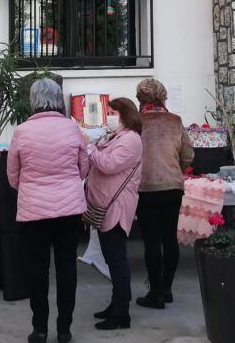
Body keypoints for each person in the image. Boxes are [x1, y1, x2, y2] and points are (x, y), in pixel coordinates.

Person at [8, 78, 89, 343]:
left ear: (33, 100)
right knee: (67, 270)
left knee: (36, 270)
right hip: (68, 210)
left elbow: (12, 177)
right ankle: (64, 330)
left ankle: (39, 329)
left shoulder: (21, 131)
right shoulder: (72, 128)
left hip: (34, 212)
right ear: (58, 99)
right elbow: (83, 168)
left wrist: (32, 187)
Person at [133, 77, 193, 310]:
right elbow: (188, 154)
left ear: (140, 98)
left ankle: (155, 292)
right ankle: (167, 288)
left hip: (146, 188)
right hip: (172, 187)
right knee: (170, 238)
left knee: (151, 241)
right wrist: (174, 168)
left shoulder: (136, 122)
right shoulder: (175, 121)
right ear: (162, 96)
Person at [86, 97, 143, 331]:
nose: (109, 117)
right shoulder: (118, 137)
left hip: (116, 207)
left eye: (113, 113)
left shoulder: (131, 140)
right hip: (105, 205)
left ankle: (122, 313)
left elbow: (108, 165)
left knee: (117, 261)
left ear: (125, 115)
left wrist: (89, 148)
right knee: (111, 259)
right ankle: (115, 304)